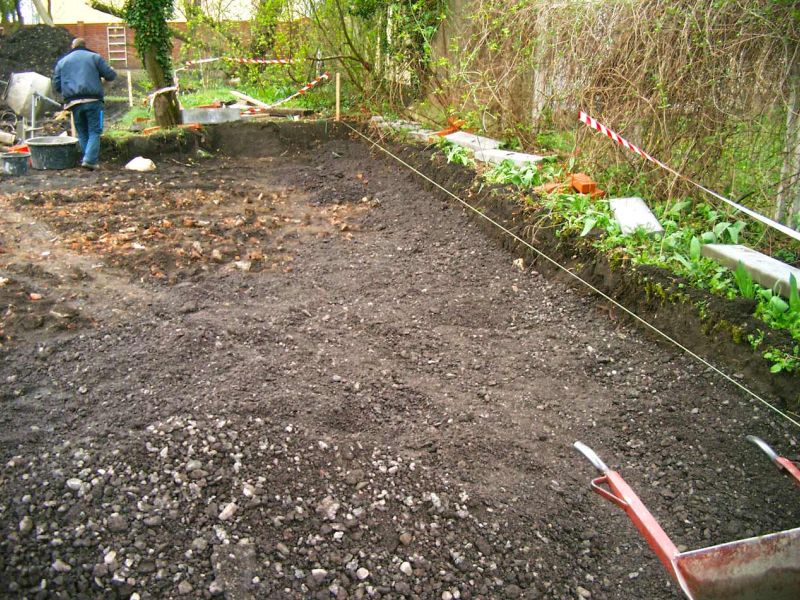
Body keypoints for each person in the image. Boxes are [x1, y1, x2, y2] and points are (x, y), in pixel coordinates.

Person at [53, 38, 117, 170]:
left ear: (72, 46)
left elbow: (57, 85)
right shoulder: (95, 57)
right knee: (95, 131)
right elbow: (110, 75)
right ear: (84, 45)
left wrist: (69, 90)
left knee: (82, 132)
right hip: (94, 101)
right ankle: (90, 160)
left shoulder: (62, 62)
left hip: (74, 103)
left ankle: (87, 158)